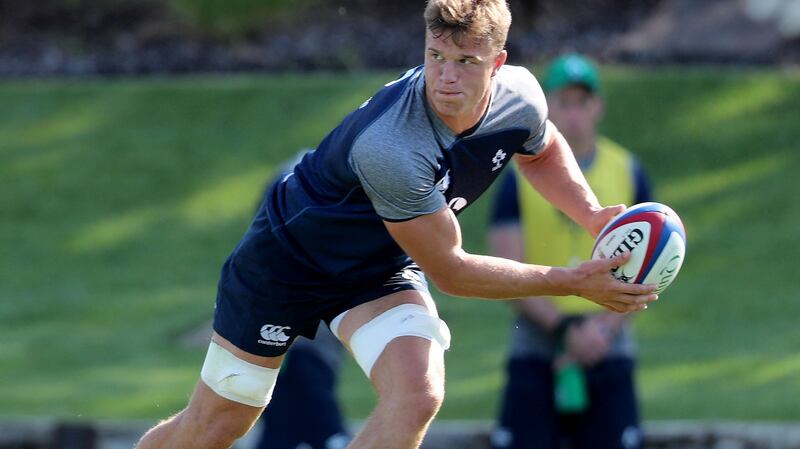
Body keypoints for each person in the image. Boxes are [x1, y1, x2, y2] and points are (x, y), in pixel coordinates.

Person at [134, 1, 658, 448]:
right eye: (435, 57)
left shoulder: (519, 98)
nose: (445, 77)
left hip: (378, 268)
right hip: (285, 263)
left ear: (497, 64)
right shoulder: (393, 147)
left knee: (418, 394)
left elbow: (539, 152)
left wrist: (590, 213)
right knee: (217, 425)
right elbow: (452, 272)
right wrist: (571, 282)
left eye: (464, 61)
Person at [488, 54, 653, 449]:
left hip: (608, 340)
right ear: (548, 105)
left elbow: (651, 263)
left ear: (598, 106)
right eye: (565, 101)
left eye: (583, 101)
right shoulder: (516, 173)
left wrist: (598, 332)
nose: (575, 112)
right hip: (537, 339)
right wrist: (564, 330)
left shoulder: (628, 169)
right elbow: (506, 266)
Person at [254, 153, 352, 449]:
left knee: (308, 373)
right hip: (285, 300)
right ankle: (332, 438)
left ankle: (331, 437)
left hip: (324, 301)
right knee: (285, 388)